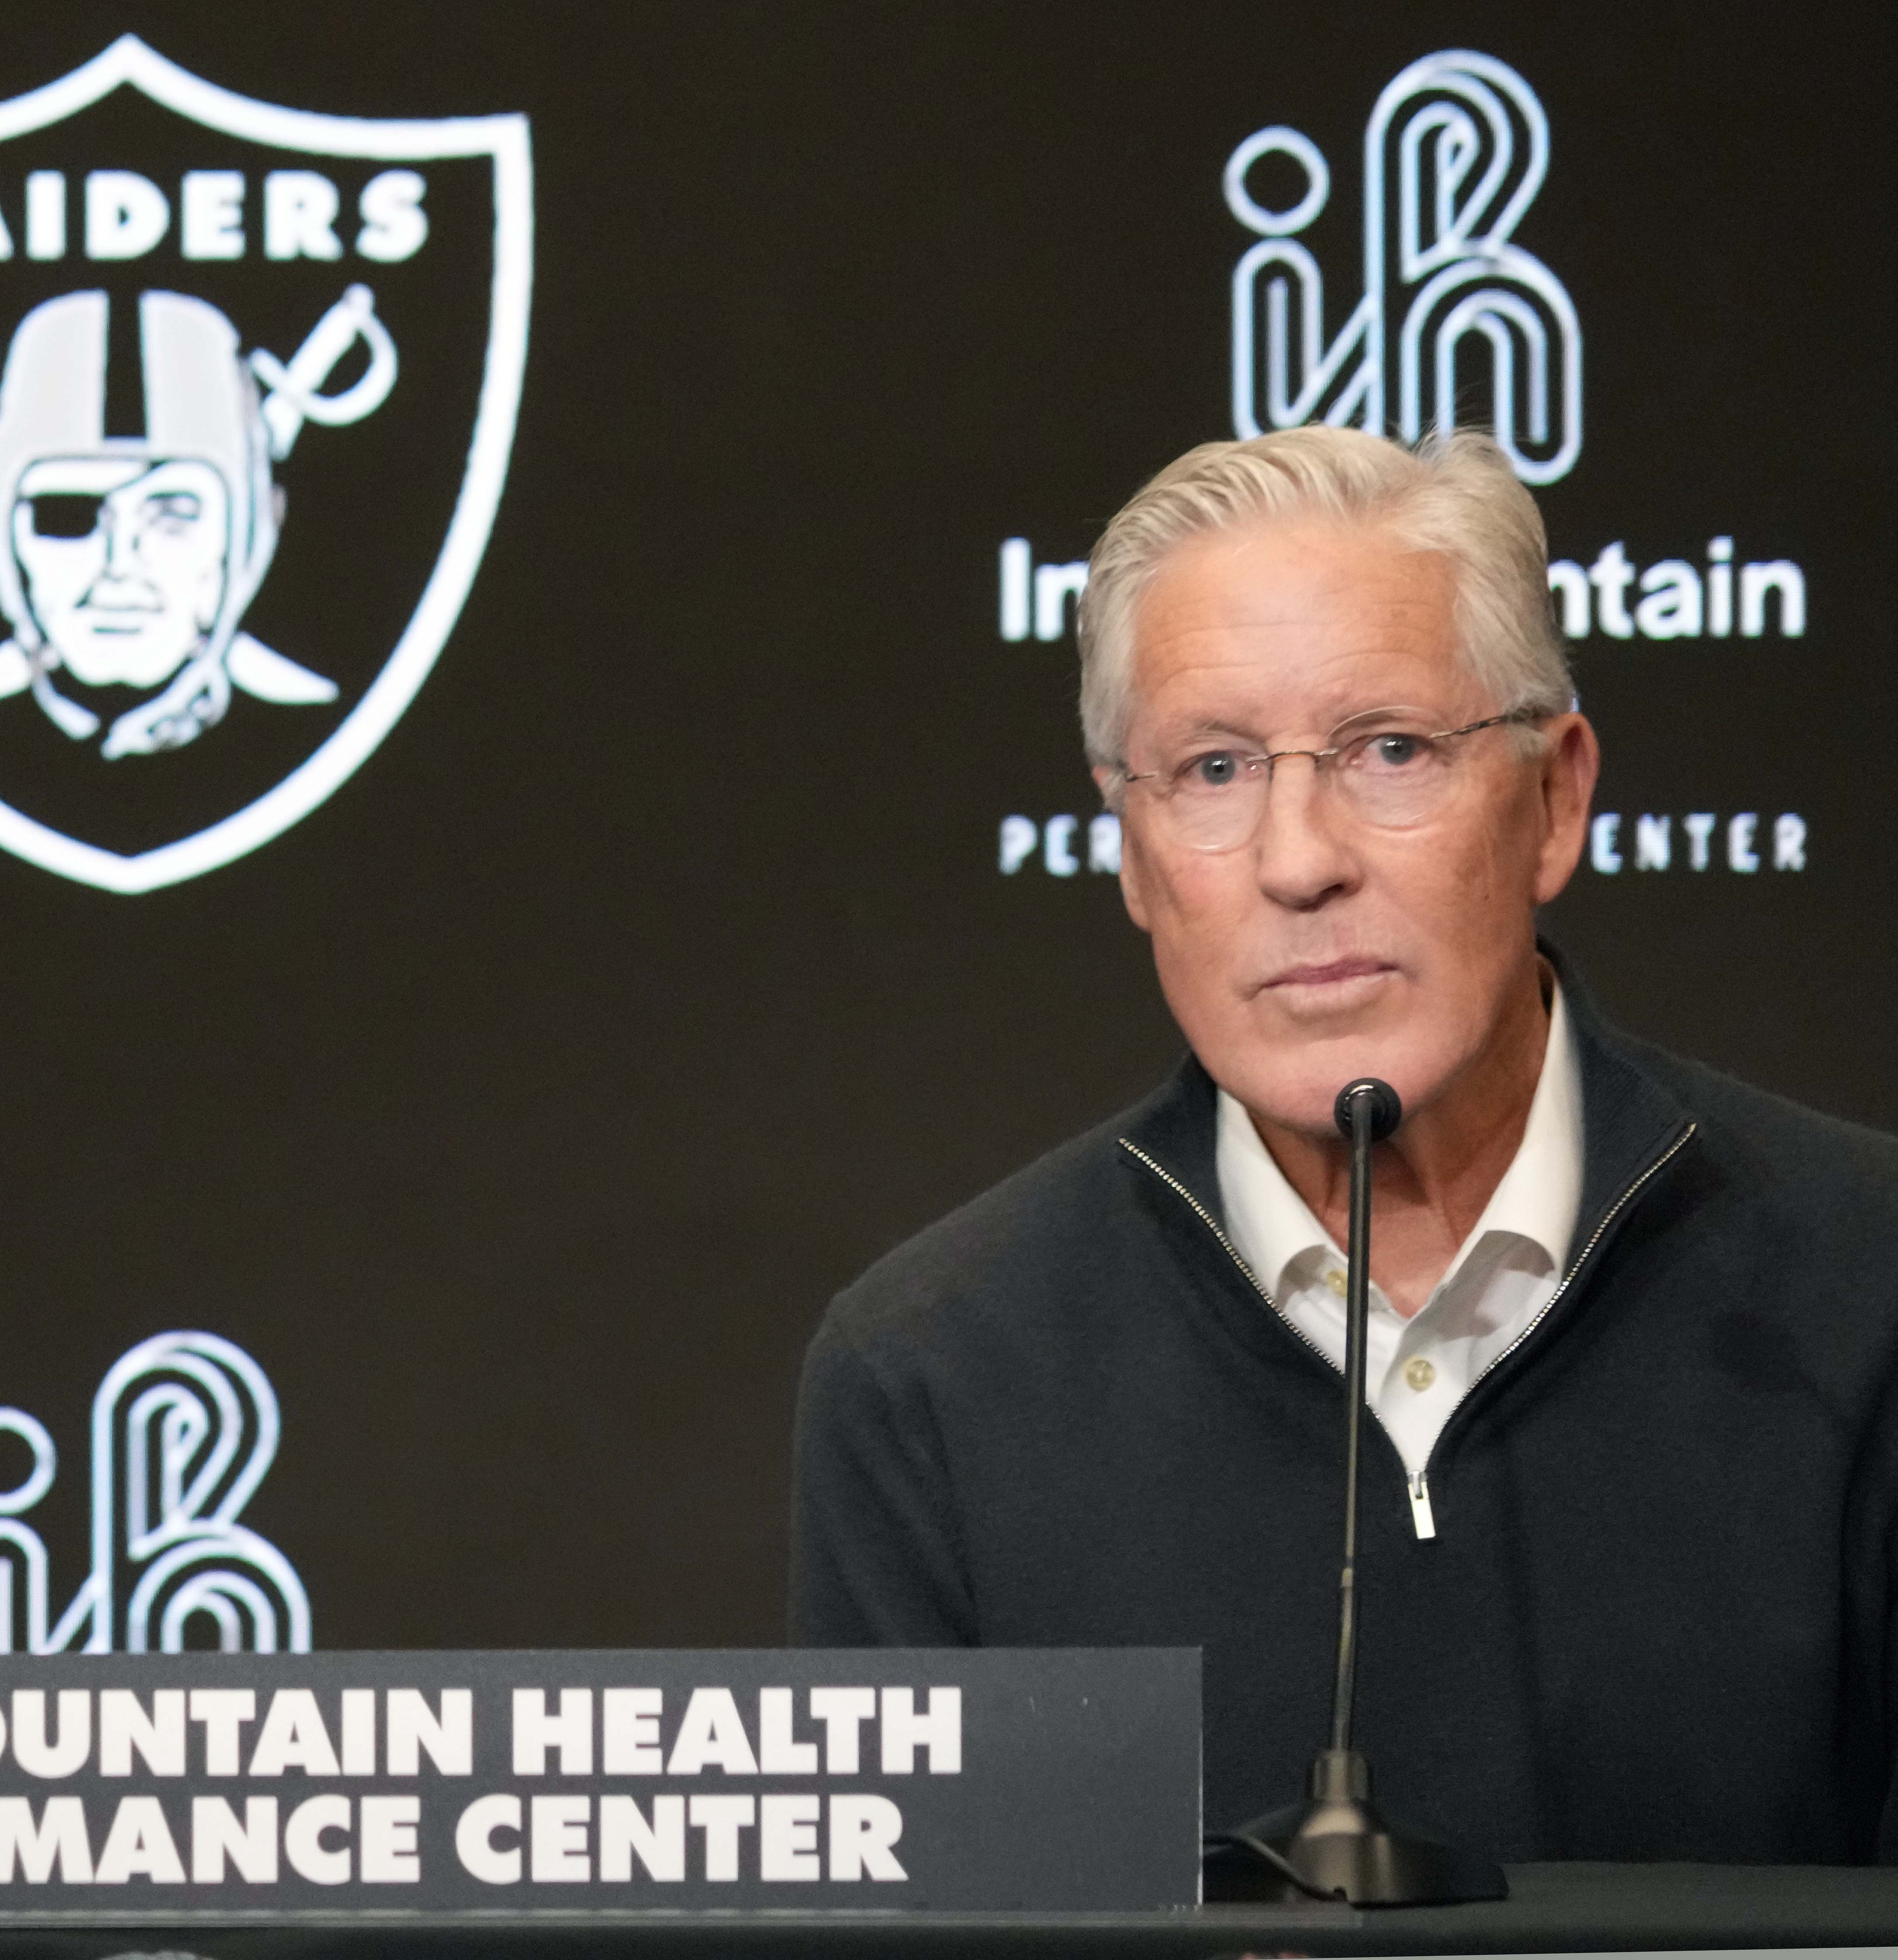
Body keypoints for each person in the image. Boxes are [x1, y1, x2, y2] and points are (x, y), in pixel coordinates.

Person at [792, 425, 1898, 1864]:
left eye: (1388, 747)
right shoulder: (930, 1382)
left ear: (1554, 796)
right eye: (1210, 769)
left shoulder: (1867, 1293)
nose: (1298, 857)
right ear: (1129, 854)